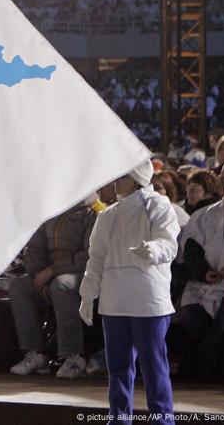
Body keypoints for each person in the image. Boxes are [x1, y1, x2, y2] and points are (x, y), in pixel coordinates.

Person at [79, 160, 179, 424]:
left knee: (154, 367)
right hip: (114, 302)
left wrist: (154, 249)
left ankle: (162, 420)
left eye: (122, 177)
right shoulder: (107, 215)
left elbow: (169, 243)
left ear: (137, 178)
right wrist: (88, 292)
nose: (116, 182)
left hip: (148, 299)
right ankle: (119, 419)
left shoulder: (157, 205)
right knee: (119, 369)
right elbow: (96, 257)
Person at [9, 196, 102, 378]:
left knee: (62, 285)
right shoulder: (51, 214)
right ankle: (35, 354)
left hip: (81, 274)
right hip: (49, 275)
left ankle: (73, 355)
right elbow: (35, 249)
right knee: (20, 287)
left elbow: (88, 256)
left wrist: (53, 271)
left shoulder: (94, 214)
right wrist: (38, 276)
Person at [175, 168, 224, 380]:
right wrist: (204, 272)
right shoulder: (206, 215)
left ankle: (207, 372)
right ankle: (218, 366)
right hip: (204, 283)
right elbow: (191, 249)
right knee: (188, 314)